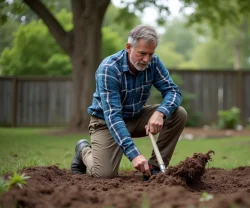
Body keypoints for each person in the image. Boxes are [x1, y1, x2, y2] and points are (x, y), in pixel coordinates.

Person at [71, 24, 187, 179]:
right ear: (128, 47)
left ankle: (154, 169)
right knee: (104, 174)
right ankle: (83, 151)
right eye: (142, 53)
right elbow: (112, 117)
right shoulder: (109, 68)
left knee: (178, 113)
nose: (147, 59)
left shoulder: (154, 62)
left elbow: (173, 91)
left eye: (151, 54)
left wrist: (160, 113)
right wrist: (134, 154)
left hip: (136, 117)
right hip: (106, 123)